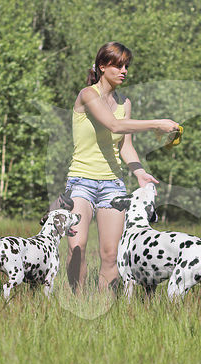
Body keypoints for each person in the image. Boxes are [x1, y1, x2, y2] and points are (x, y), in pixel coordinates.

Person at [66, 42, 179, 294]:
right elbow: (114, 127)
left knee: (110, 254)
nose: (124, 70)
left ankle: (105, 309)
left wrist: (139, 172)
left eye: (126, 65)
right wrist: (157, 124)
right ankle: (77, 301)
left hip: (112, 185)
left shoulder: (124, 103)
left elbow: (124, 144)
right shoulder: (87, 95)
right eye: (118, 65)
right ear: (102, 66)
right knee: (78, 247)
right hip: (80, 182)